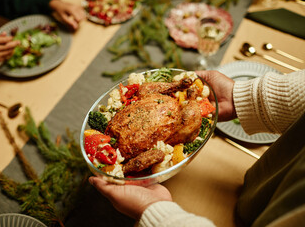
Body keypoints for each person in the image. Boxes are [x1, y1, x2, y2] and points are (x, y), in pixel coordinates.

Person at [89, 69, 305, 227]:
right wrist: (248, 98)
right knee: (155, 140)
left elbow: (156, 153)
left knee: (161, 147)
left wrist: (153, 210)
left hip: (163, 121)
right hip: (139, 121)